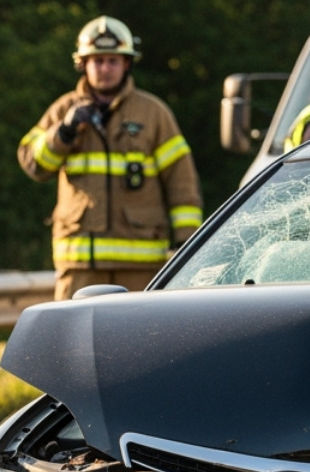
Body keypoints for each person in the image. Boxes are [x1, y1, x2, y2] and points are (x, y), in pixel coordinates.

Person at [18, 16, 202, 302]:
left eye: (113, 61)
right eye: (98, 61)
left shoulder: (153, 113)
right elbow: (33, 163)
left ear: (127, 63)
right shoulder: (63, 110)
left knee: (142, 332)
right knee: (74, 333)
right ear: (83, 64)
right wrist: (63, 133)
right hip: (80, 266)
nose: (105, 68)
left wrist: (185, 242)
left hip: (142, 266)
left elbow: (182, 182)